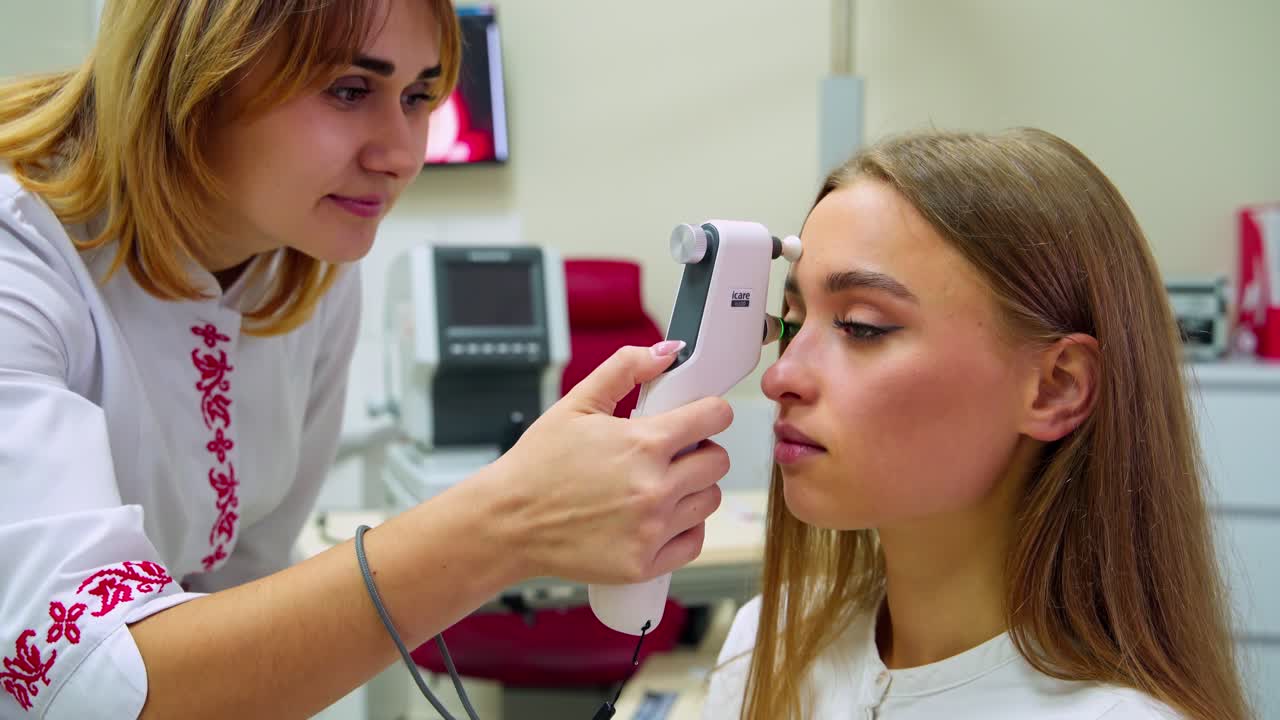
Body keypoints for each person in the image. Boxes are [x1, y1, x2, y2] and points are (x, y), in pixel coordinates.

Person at [0, 1, 733, 717]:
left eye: (419, 96)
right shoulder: (21, 257)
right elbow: (91, 685)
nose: (402, 155)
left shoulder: (306, 267)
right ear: (190, 76)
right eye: (349, 90)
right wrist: (509, 521)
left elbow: (240, 588)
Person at [703, 129, 1251, 720]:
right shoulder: (767, 642)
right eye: (792, 322)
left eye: (861, 325)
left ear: (1056, 387)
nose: (780, 376)